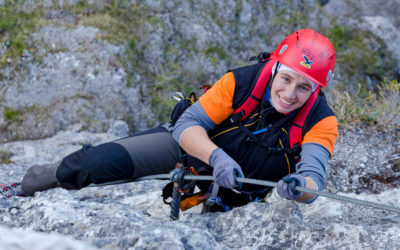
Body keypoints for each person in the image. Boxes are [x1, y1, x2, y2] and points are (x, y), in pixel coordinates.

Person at [1, 29, 337, 211]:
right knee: (91, 162)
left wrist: (298, 190)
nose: (291, 93)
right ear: (275, 69)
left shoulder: (321, 121)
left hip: (242, 191)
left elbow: (313, 179)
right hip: (191, 153)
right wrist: (216, 157)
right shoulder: (243, 82)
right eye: (287, 79)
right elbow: (187, 126)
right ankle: (24, 186)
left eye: (304, 86)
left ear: (317, 90)